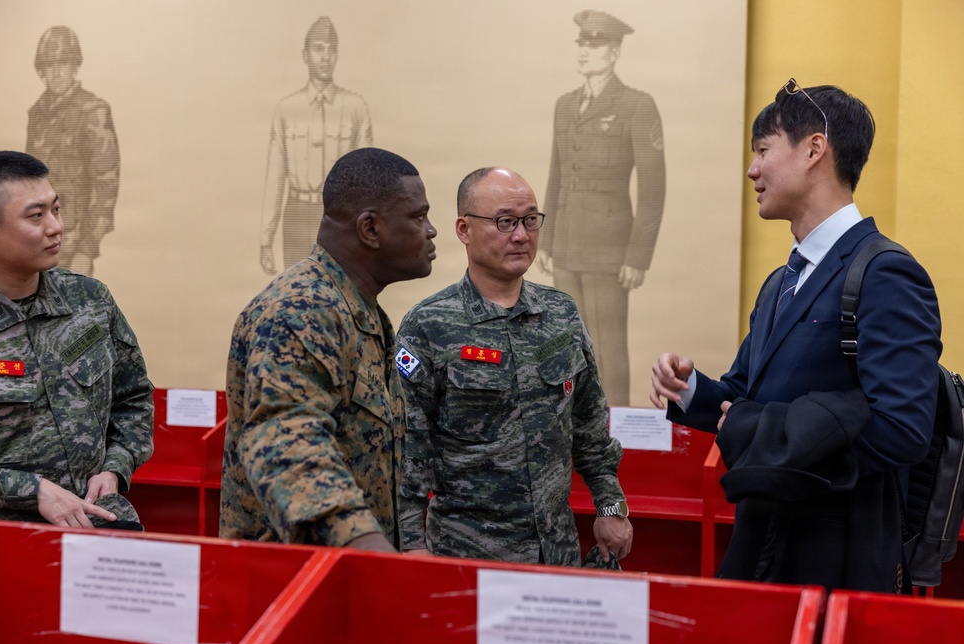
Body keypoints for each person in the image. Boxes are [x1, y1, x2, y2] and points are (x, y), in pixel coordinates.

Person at [650, 80, 942, 592]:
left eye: (763, 150)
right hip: (763, 546)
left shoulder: (886, 273)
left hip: (838, 559)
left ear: (814, 149)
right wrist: (690, 389)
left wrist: (766, 429)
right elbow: (742, 399)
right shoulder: (781, 282)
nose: (752, 170)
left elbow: (903, 429)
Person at [396, 167, 633, 567]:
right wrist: (412, 545)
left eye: (529, 220)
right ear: (464, 228)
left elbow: (590, 428)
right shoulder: (428, 326)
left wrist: (611, 508)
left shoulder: (561, 313)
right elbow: (409, 451)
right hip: (466, 556)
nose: (521, 235)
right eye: (505, 221)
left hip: (556, 553)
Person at [221, 147, 437, 552]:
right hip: (289, 586)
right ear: (370, 229)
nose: (430, 231)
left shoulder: (356, 309)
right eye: (418, 216)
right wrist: (375, 554)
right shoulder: (300, 310)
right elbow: (291, 447)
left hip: (344, 576)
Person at [0, 150, 153, 529]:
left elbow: (134, 399)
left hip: (97, 521)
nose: (56, 227)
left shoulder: (90, 300)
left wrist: (115, 468)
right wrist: (31, 490)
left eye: (56, 209)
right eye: (36, 216)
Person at [539, 10, 666, 407]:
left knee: (607, 353)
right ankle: (572, 436)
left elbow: (652, 187)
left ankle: (613, 440)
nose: (583, 52)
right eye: (581, 44)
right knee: (567, 348)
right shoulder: (565, 105)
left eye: (592, 46)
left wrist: (637, 256)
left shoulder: (635, 105)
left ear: (612, 54)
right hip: (566, 246)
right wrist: (545, 240)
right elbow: (556, 176)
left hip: (609, 250)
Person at [259, 16, 373, 275]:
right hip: (297, 213)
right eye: (318, 49)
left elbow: (368, 179)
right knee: (297, 292)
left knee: (343, 290)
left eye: (331, 50)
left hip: (341, 215)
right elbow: (275, 178)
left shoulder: (355, 107)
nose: (325, 57)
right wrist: (266, 240)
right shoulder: (287, 109)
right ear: (305, 54)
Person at [26, 25, 120, 278]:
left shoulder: (92, 111)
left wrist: (87, 250)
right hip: (37, 240)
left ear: (75, 66)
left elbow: (106, 183)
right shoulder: (37, 114)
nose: (56, 72)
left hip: (75, 240)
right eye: (49, 65)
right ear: (41, 70)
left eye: (63, 64)